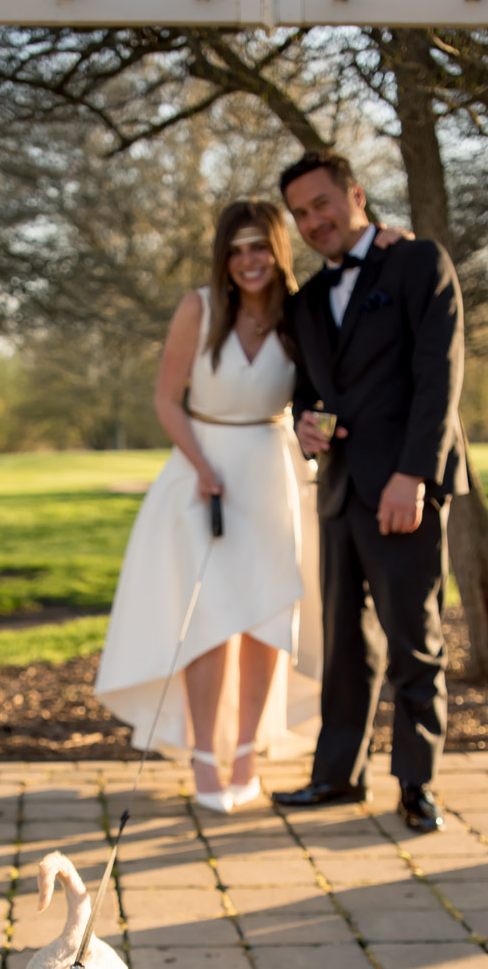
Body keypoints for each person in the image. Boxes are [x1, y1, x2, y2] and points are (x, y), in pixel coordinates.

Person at [95, 199, 404, 813]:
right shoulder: (199, 308)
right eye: (235, 250)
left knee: (266, 620)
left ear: (277, 248)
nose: (247, 261)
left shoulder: (302, 309)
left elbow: (325, 388)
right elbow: (166, 400)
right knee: (207, 624)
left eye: (258, 246)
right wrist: (202, 467)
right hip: (202, 473)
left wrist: (395, 240)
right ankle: (205, 757)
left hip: (273, 472)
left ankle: (245, 754)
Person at [271, 150, 469, 833]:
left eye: (321, 204)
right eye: (300, 214)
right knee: (344, 645)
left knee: (413, 639)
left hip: (403, 486)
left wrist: (413, 476)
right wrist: (308, 423)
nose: (312, 221)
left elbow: (438, 375)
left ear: (355, 195)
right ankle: (336, 777)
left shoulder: (417, 263)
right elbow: (312, 391)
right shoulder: (304, 301)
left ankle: (416, 784)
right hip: (338, 489)